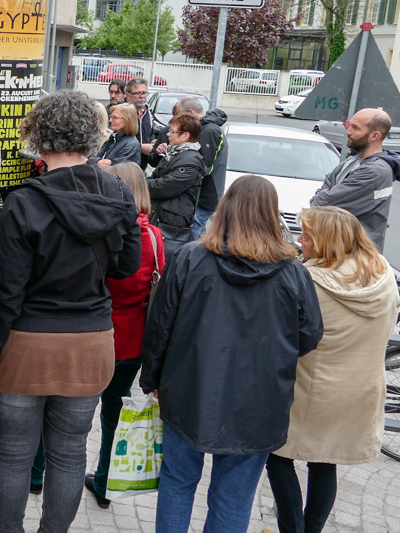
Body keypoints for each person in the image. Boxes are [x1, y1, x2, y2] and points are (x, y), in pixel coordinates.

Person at [0, 89, 141, 533]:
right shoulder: (118, 192)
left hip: (26, 343)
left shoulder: (23, 202)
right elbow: (127, 267)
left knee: (13, 453)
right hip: (90, 341)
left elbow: (4, 290)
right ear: (92, 135)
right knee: (70, 453)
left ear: (39, 134)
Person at [139, 174, 324, 533]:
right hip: (259, 399)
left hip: (190, 386)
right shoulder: (293, 274)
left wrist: (152, 378)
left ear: (224, 210)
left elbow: (159, 326)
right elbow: (310, 336)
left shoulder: (190, 258)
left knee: (177, 482)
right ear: (272, 215)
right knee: (233, 498)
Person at [264, 206, 399, 533]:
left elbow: (286, 334)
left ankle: (292, 529)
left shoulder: (310, 281)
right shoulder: (383, 273)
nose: (300, 240)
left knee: (277, 457)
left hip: (311, 390)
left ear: (326, 242)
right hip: (359, 391)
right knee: (325, 463)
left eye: (307, 236)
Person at [84, 161, 166, 509]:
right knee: (113, 415)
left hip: (92, 334)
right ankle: (105, 483)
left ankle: (39, 474)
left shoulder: (97, 231)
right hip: (132, 340)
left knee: (64, 412)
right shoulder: (154, 237)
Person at [310, 108, 400, 252]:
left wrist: (321, 197)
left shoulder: (375, 171)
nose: (348, 131)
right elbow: (324, 192)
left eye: (355, 128)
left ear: (374, 135)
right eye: (349, 125)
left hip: (356, 256)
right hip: (340, 251)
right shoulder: (353, 161)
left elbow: (321, 203)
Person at [154, 96, 228, 239]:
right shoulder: (205, 128)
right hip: (198, 197)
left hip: (204, 198)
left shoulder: (209, 131)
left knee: (190, 239)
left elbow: (202, 167)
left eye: (180, 116)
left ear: (190, 112)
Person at [146, 113, 206, 260]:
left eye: (172, 131)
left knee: (164, 266)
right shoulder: (173, 154)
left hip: (172, 227)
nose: (168, 134)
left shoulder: (191, 161)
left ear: (185, 135)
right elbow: (155, 177)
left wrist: (138, 183)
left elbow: (163, 187)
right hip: (160, 218)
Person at [88, 103, 141, 169]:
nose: (110, 120)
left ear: (127, 120)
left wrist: (97, 164)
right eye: (111, 117)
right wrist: (97, 162)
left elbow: (116, 170)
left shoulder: (131, 145)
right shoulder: (113, 138)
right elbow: (90, 157)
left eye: (115, 118)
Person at [124, 77, 158, 170]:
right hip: (125, 165)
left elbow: (150, 133)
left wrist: (153, 142)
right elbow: (116, 140)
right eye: (138, 93)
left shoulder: (148, 112)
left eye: (144, 93)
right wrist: (140, 147)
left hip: (142, 166)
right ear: (128, 95)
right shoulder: (121, 113)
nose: (142, 96)